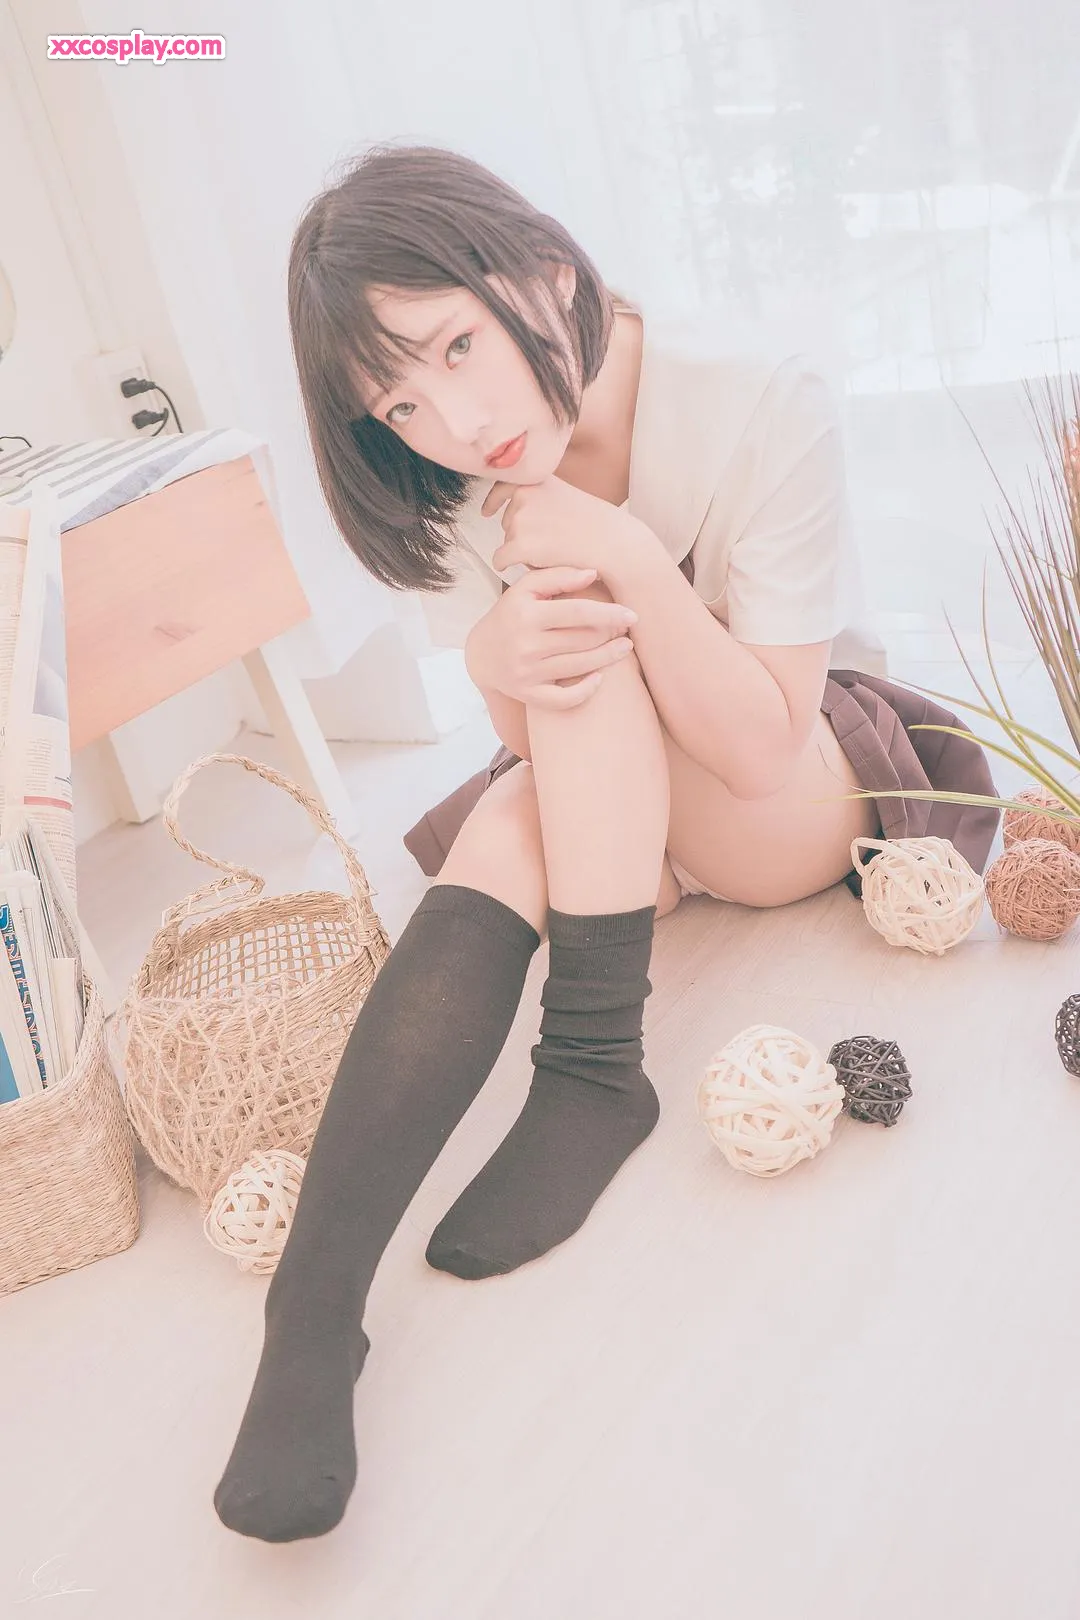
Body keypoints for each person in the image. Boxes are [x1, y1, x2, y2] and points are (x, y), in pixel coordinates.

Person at [213, 143, 997, 1543]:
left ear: (543, 270)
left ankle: (588, 1066)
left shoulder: (756, 394)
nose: (456, 421)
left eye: (458, 344)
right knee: (528, 773)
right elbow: (531, 732)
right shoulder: (452, 471)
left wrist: (623, 553)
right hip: (617, 806)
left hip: (795, 783)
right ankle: (316, 1310)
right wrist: (495, 657)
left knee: (582, 648)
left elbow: (760, 742)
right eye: (400, 403)